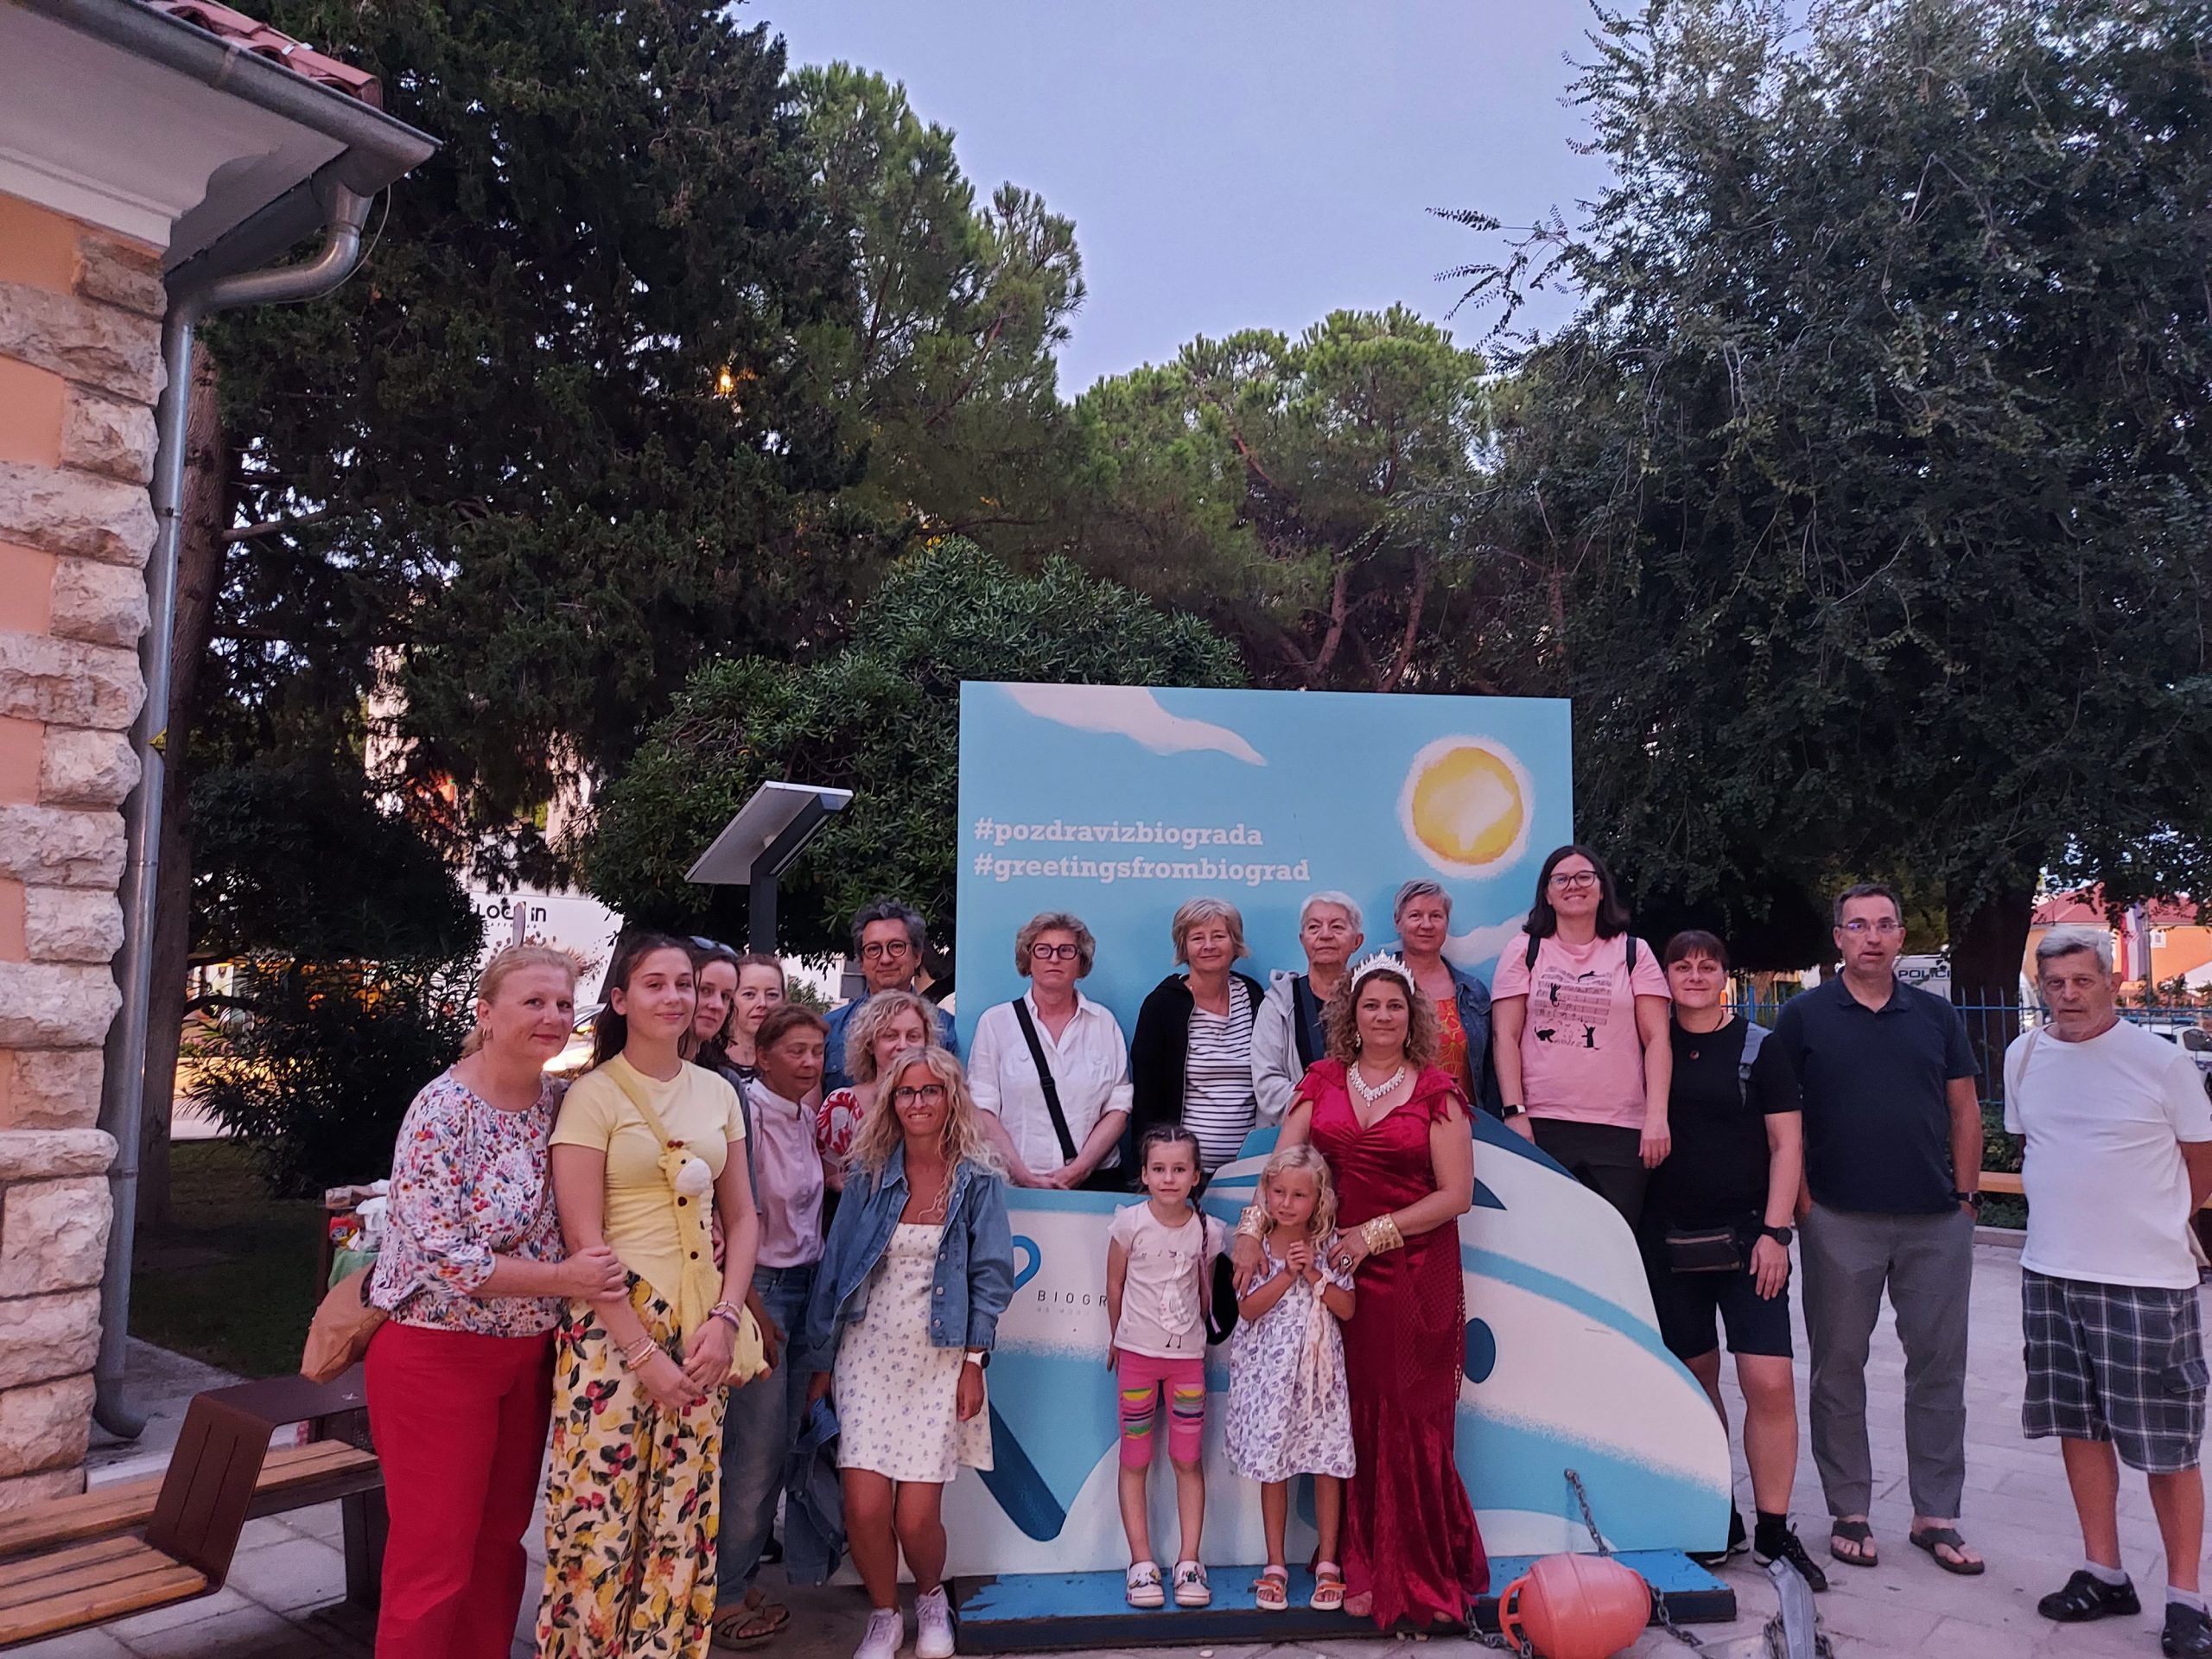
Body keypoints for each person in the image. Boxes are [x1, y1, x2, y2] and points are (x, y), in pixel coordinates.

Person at [364, 945, 627, 1659]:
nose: (553, 1017)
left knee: (499, 1543)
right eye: (533, 1002)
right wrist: (567, 1279)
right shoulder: (442, 1110)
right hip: (438, 1355)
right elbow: (443, 1256)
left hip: (527, 1357)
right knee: (434, 1555)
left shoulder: (560, 1103)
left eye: (563, 1004)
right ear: (484, 1013)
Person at [1234, 953, 1484, 1628]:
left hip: (1410, 1270)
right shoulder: (1321, 1080)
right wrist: (1251, 1233)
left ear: (1412, 1015)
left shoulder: (1436, 1092)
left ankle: (1410, 1565)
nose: (1382, 1016)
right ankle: (1349, 1559)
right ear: (1351, 1013)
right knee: (1343, 1415)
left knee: (1403, 1415)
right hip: (1323, 1267)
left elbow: (1456, 1195)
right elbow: (1280, 1169)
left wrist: (1371, 1236)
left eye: (1395, 1005)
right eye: (1371, 1004)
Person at [540, 933, 761, 1659]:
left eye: (685, 984)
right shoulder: (592, 1096)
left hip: (700, 1328)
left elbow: (743, 1217)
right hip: (613, 1330)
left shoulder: (718, 1093)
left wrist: (726, 1318)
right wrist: (642, 1354)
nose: (675, 997)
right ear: (620, 999)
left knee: (681, 1517)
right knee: (598, 1521)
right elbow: (583, 1241)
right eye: (655, 984)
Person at [2007, 928, 2212, 1656]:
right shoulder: (2023, 1055)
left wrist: (2151, 1223)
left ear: (2112, 982)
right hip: (2050, 1273)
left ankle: (2187, 1600)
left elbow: (2200, 1164)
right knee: (2080, 1429)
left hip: (2146, 1283)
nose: (2067, 995)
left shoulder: (2162, 1064)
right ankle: (2105, 1573)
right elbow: (2036, 1146)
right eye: (2054, 983)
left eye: (2082, 981)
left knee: (2167, 1447)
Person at [1773, 882, 1984, 1576]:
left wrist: (1966, 1200)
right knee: (1838, 1367)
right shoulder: (1802, 1017)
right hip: (1839, 1220)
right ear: (1838, 937)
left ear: (1899, 937)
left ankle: (1936, 1514)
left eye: (1884, 925)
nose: (1872, 936)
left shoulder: (1936, 1016)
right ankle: (1850, 1509)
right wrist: (1805, 1205)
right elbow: (1783, 1118)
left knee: (1939, 1369)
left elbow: (1965, 1111)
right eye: (1858, 925)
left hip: (1936, 1222)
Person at [799, 1046, 1014, 1659]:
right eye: (906, 1092)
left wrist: (974, 1362)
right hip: (866, 1351)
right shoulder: (868, 1174)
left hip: (939, 1359)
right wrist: (820, 1362)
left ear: (951, 1098)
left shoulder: (977, 1178)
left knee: (916, 1516)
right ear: (892, 1102)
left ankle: (929, 1597)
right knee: (864, 1507)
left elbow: (991, 1276)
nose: (918, 1102)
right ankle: (884, 1614)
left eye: (930, 1091)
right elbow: (836, 1269)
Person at [1640, 931, 1824, 1589]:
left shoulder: (1759, 1046)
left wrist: (1777, 1232)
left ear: (1724, 975)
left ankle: (1773, 1528)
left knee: (1768, 1382)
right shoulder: (1648, 1043)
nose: (1694, 976)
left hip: (1750, 1241)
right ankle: (1716, 1515)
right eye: (1681, 966)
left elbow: (1786, 1145)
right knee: (1695, 1385)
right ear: (1664, 976)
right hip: (1669, 1241)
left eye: (1706, 965)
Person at [714, 1004, 831, 1649]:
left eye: (817, 1050)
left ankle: (735, 1575)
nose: (810, 1063)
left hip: (807, 1286)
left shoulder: (805, 1116)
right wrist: (751, 1303)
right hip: (761, 1289)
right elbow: (734, 1214)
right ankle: (724, 1596)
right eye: (795, 1051)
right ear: (762, 1057)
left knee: (781, 1444)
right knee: (754, 1452)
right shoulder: (748, 1117)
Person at [1491, 845, 1672, 1229]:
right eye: (1561, 879)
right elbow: (1505, 1036)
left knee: (1615, 1246)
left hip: (1620, 1130)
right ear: (1547, 894)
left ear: (1602, 889)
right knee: (1546, 1243)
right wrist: (1514, 1113)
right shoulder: (1524, 951)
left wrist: (1656, 1116)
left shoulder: (1634, 952)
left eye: (1584, 877)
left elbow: (1657, 1039)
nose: (1574, 885)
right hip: (1542, 1124)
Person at [1226, 1142, 1357, 1614]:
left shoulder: (1332, 1246)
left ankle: (1328, 1563)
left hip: (1319, 1379)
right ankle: (1276, 1564)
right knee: (1275, 1466)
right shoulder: (1255, 1248)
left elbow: (1347, 1307)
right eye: (1278, 1192)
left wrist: (1316, 1273)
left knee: (1326, 1464)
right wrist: (1287, 1275)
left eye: (1298, 1195)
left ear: (1318, 1199)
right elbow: (1247, 1309)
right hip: (1270, 1378)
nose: (1286, 1203)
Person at [1106, 1125, 1224, 1610]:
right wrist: (1116, 1337)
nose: (1168, 1178)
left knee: (1187, 1459)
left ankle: (1189, 1561)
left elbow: (1205, 1295)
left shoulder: (1208, 1231)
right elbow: (1114, 1285)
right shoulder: (1128, 1224)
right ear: (1145, 1174)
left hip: (1186, 1365)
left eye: (1179, 1169)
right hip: (1136, 1359)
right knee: (1135, 1458)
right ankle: (1141, 1563)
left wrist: (1193, 1342)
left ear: (1195, 1176)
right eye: (1159, 1169)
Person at [969, 911, 1133, 1189]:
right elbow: (982, 1108)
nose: (1054, 958)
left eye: (1066, 950)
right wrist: (1021, 1174)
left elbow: (1118, 1107)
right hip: (1014, 1185)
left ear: (1081, 962)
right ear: (1028, 960)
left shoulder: (1103, 1023)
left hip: (1095, 1183)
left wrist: (1079, 1169)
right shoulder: (996, 1023)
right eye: (1043, 950)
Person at [1129, 898, 1268, 1174]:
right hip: (1182, 1174)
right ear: (1184, 947)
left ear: (1234, 942)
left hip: (1248, 1172)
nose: (1209, 945)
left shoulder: (1253, 997)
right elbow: (1147, 1100)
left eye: (1219, 936)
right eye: (1197, 938)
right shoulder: (1162, 1006)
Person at [1389, 880, 1502, 1115]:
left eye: (1436, 916)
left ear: (1446, 923)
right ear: (1398, 922)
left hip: (1461, 1122)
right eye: (1416, 916)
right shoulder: (1374, 986)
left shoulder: (1472, 992)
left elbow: (1489, 1071)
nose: (1426, 924)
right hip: (1393, 1121)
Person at [822, 899, 957, 1094]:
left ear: (917, 957)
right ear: (861, 962)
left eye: (896, 946)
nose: (885, 959)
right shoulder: (829, 1030)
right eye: (873, 949)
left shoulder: (949, 1030)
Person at [1253, 893, 1365, 1124]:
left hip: (1366, 1132)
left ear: (1357, 941)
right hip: (1297, 1136)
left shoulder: (1373, 1000)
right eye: (1314, 927)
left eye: (1337, 927)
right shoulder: (1278, 1003)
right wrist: (1327, 1114)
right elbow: (1268, 1084)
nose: (1325, 935)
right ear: (1302, 940)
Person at [816, 990, 940, 1190]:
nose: (903, 1045)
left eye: (913, 1036)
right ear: (870, 1044)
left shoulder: (942, 1102)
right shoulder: (842, 1107)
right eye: (890, 1036)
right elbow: (824, 1183)